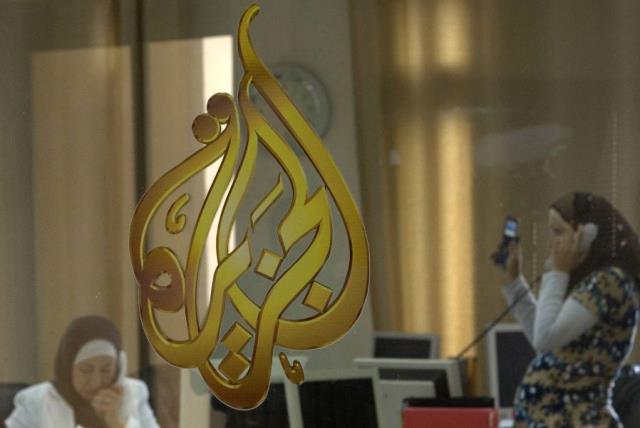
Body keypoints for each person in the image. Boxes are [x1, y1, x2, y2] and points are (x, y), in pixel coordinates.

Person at [501, 192, 640, 427]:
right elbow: (546, 339)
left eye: (559, 232)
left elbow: (545, 338)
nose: (552, 242)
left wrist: (557, 272)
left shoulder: (609, 282)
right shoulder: (587, 281)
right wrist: (515, 283)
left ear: (587, 234)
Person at [5, 315, 159, 428]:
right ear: (67, 367)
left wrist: (118, 423)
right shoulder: (33, 401)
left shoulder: (134, 393)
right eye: (86, 370)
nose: (96, 381)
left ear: (119, 366)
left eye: (106, 369)